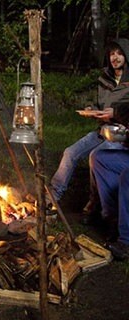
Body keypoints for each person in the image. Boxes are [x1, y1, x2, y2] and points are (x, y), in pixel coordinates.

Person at [48, 38, 129, 224]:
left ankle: (94, 205)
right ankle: (51, 197)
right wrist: (92, 108)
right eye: (111, 54)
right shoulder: (104, 78)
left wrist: (115, 114)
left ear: (126, 55)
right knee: (70, 152)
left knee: (96, 157)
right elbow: (100, 105)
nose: (115, 58)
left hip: (121, 134)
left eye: (119, 53)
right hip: (102, 129)